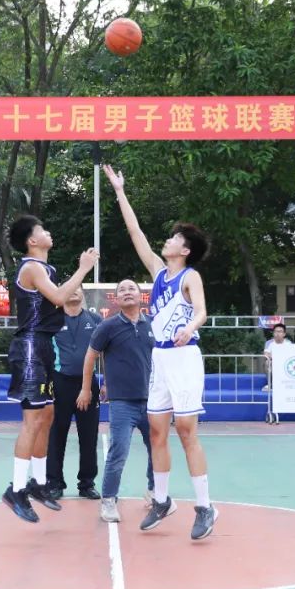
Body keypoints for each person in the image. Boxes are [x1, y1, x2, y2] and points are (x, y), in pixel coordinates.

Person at [104, 164, 217, 540]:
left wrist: (190, 327)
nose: (166, 241)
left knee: (186, 431)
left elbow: (201, 311)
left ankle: (205, 506)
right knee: (156, 431)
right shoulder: (157, 272)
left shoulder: (189, 276)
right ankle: (163, 500)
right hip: (161, 359)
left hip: (185, 358)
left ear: (184, 250)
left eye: (173, 239)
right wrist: (120, 191)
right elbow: (135, 232)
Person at [2, 215, 97, 523]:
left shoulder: (46, 269)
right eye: (43, 230)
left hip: (44, 346)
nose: (49, 232)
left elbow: (58, 298)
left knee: (47, 416)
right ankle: (16, 490)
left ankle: (39, 483)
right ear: (32, 240)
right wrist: (83, 268)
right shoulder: (31, 268)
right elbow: (58, 297)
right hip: (30, 346)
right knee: (32, 421)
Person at [77, 279, 156, 522]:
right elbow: (90, 357)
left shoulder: (152, 325)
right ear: (117, 299)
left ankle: (155, 491)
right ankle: (109, 500)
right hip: (122, 402)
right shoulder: (108, 326)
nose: (127, 292)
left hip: (152, 401)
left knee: (157, 449)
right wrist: (86, 389)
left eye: (132, 288)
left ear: (140, 296)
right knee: (118, 452)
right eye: (122, 290)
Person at [46, 287, 102, 500]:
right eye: (69, 289)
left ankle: (87, 484)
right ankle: (54, 483)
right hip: (60, 382)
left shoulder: (95, 320)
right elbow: (43, 351)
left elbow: (106, 351)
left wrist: (106, 382)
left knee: (89, 436)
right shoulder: (52, 320)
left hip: (88, 384)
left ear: (83, 295)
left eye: (78, 289)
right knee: (56, 435)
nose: (73, 292)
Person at [263, 323, 292, 392]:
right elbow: (266, 354)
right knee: (267, 363)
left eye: (280, 331)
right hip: (273, 362)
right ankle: (270, 384)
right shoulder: (269, 342)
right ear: (273, 333)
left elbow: (290, 355)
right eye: (276, 331)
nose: (278, 334)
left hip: (286, 362)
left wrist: (276, 356)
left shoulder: (288, 343)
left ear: (284, 334)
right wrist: (277, 358)